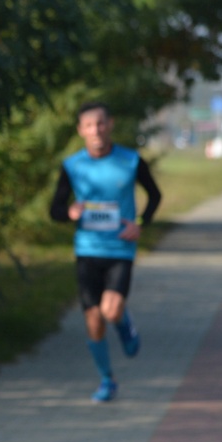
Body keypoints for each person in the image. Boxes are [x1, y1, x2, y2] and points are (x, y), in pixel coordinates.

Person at [50, 102, 162, 403]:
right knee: (94, 319)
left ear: (110, 124)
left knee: (111, 311)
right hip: (87, 250)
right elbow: (55, 209)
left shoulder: (130, 160)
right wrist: (69, 212)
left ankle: (124, 324)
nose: (96, 130)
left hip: (120, 249)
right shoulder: (72, 165)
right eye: (89, 125)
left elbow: (155, 195)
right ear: (81, 130)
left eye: (100, 123)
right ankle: (106, 380)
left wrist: (140, 223)